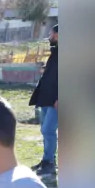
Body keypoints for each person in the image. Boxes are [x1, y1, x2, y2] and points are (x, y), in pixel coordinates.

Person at [28, 24, 58, 175]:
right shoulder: (55, 53)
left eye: (51, 34)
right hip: (46, 98)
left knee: (48, 129)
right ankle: (47, 160)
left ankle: (50, 163)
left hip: (56, 101)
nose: (49, 37)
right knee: (44, 130)